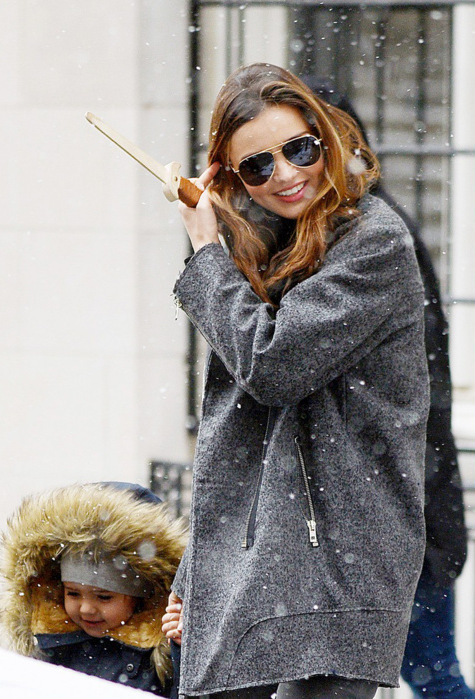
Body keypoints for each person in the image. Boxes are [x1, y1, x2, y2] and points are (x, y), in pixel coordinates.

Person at [164, 62, 430, 699]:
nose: (284, 175)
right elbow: (236, 437)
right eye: (257, 166)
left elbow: (272, 367)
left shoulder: (374, 242)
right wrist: (194, 574)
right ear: (232, 178)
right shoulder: (261, 247)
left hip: (343, 559)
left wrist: (207, 254)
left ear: (324, 138)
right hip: (258, 555)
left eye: (299, 150)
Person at [302, 76, 473, 699]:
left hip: (402, 504)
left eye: (307, 147)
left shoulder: (373, 233)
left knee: (432, 678)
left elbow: (415, 389)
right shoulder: (335, 230)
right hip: (389, 504)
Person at [0, 481, 187, 697]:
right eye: (73, 593)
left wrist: (180, 650)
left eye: (103, 597)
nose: (86, 608)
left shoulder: (162, 657)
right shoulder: (48, 644)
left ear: (143, 597)